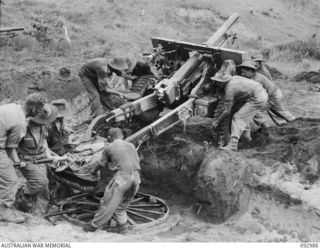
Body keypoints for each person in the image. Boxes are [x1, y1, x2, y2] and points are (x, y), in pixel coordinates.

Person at [82, 128, 141, 232]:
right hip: (136, 177)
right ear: (122, 136)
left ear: (109, 138)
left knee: (108, 202)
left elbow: (100, 164)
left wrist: (92, 172)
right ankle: (122, 226)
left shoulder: (109, 147)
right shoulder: (131, 145)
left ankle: (94, 225)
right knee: (121, 205)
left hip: (123, 178)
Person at [0, 93, 47, 223]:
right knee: (10, 180)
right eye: (39, 110)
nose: (39, 113)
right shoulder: (20, 123)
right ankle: (4, 212)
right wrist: (18, 162)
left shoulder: (13, 107)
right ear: (33, 109)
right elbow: (10, 149)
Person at [211, 60, 268, 151]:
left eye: (218, 82)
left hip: (258, 97)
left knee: (237, 117)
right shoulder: (234, 78)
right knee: (244, 114)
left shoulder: (230, 90)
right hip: (259, 93)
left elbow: (227, 111)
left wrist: (217, 121)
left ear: (223, 82)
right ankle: (246, 138)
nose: (217, 83)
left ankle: (233, 144)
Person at [17, 103, 60, 214]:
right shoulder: (23, 127)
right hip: (27, 160)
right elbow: (12, 146)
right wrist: (17, 161)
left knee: (44, 188)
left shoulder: (45, 126)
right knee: (39, 183)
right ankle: (21, 193)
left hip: (41, 158)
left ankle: (39, 213)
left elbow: (44, 142)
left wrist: (49, 155)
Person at [238, 60, 295, 139]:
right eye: (241, 72)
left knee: (255, 110)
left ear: (250, 71)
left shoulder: (256, 79)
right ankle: (294, 124)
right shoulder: (254, 76)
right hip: (273, 94)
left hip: (273, 96)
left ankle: (266, 128)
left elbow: (255, 96)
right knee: (280, 112)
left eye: (244, 72)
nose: (242, 74)